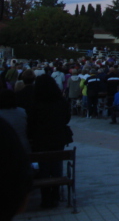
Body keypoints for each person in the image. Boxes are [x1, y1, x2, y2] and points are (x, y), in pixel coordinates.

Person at [28, 74, 73, 207]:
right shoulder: (61, 102)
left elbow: (31, 122)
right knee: (56, 165)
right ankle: (55, 194)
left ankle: (46, 197)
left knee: (44, 168)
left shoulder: (35, 103)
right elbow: (66, 119)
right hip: (57, 138)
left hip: (40, 139)